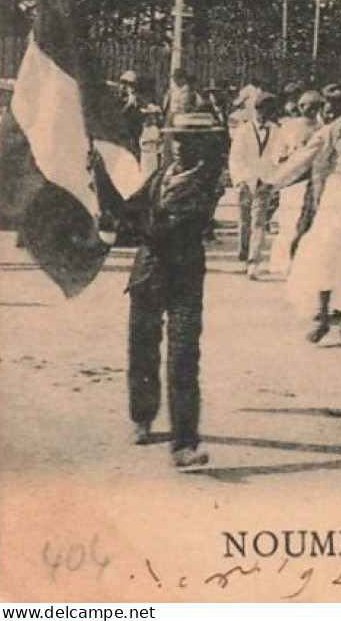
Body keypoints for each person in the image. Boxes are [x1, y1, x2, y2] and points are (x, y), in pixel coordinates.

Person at [122, 111, 226, 468]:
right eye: (177, 138)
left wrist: (131, 224)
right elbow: (130, 209)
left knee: (183, 358)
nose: (181, 145)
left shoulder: (208, 184)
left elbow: (161, 227)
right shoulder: (160, 173)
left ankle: (184, 443)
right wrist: (99, 177)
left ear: (205, 144)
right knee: (142, 350)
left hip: (183, 280)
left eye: (190, 139)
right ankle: (142, 416)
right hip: (146, 276)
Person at [275, 81, 341, 344]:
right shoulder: (334, 130)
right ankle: (322, 316)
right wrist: (274, 182)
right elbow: (305, 157)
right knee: (326, 254)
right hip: (337, 195)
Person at [262, 88, 326, 279]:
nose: (313, 111)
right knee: (288, 223)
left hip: (312, 180)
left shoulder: (323, 127)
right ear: (300, 107)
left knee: (306, 225)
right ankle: (282, 264)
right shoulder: (289, 127)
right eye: (310, 106)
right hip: (291, 182)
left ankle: (301, 264)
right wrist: (282, 158)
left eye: (318, 107)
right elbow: (277, 151)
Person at [228, 89, 277, 267]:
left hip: (265, 181)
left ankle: (253, 258)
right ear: (256, 110)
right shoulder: (243, 131)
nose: (264, 114)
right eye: (261, 110)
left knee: (259, 220)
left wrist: (274, 179)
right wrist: (239, 181)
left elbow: (277, 156)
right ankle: (244, 250)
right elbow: (235, 158)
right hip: (246, 180)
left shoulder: (276, 130)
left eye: (268, 111)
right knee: (244, 221)